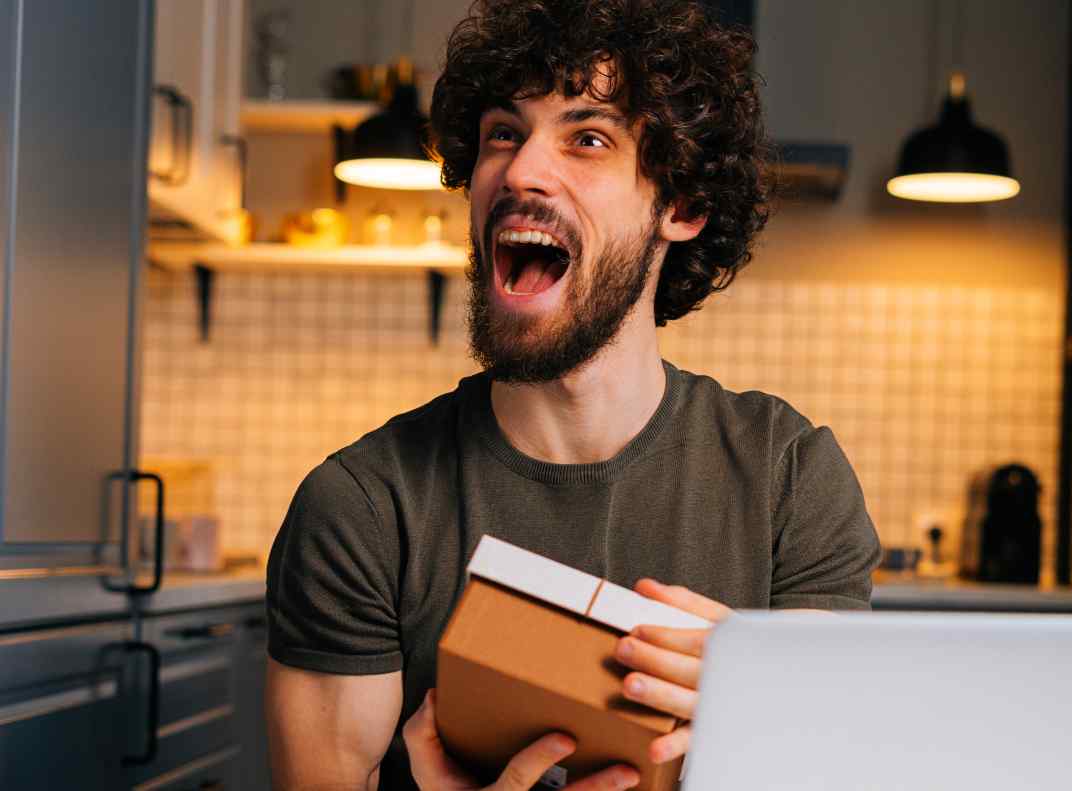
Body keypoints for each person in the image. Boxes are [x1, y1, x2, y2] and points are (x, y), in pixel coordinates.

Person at [264, 1, 881, 789]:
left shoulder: (789, 477)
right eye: (503, 134)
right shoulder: (360, 508)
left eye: (587, 138)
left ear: (682, 205)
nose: (520, 171)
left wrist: (762, 695)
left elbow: (827, 766)